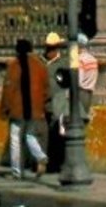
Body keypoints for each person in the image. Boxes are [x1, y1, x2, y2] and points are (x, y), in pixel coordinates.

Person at [0, 37, 50, 178]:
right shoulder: (40, 66)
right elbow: (47, 89)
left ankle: (16, 172)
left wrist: (5, 109)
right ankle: (40, 156)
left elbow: (9, 89)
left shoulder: (14, 66)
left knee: (15, 139)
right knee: (30, 136)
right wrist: (42, 105)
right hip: (35, 109)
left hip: (18, 110)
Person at [44, 31, 71, 174]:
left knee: (58, 136)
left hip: (58, 104)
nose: (49, 52)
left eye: (52, 48)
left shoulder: (63, 63)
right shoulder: (42, 62)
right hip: (44, 105)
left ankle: (57, 163)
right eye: (48, 48)